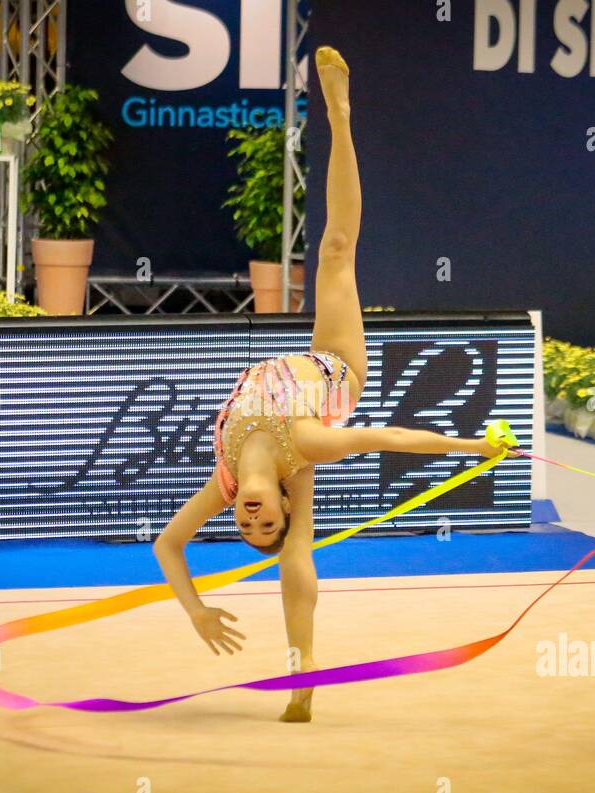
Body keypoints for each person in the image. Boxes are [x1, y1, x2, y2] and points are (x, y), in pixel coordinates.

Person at [153, 47, 502, 723]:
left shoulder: (225, 479)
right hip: (335, 370)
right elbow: (392, 435)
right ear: (278, 502)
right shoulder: (307, 448)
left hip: (281, 397)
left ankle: (299, 675)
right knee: (338, 247)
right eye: (269, 520)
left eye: (249, 523)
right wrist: (473, 446)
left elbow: (167, 544)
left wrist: (194, 609)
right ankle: (341, 118)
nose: (256, 515)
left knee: (298, 544)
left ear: (237, 511)